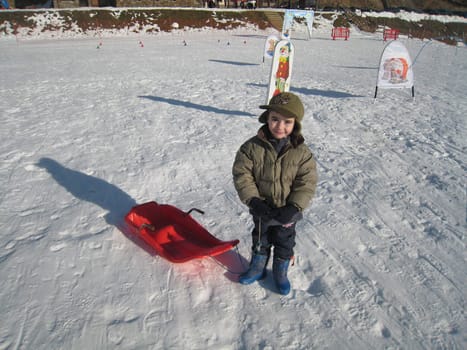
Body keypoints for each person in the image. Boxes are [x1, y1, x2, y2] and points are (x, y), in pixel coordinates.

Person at [232, 92, 318, 295]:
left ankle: (281, 273)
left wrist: (294, 206)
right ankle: (257, 268)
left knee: (284, 242)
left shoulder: (302, 153)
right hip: (262, 209)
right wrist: (253, 200)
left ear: (295, 124)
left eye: (287, 122)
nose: (280, 126)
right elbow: (242, 175)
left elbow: (306, 182)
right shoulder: (251, 148)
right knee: (260, 239)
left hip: (287, 213)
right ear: (267, 118)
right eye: (275, 119)